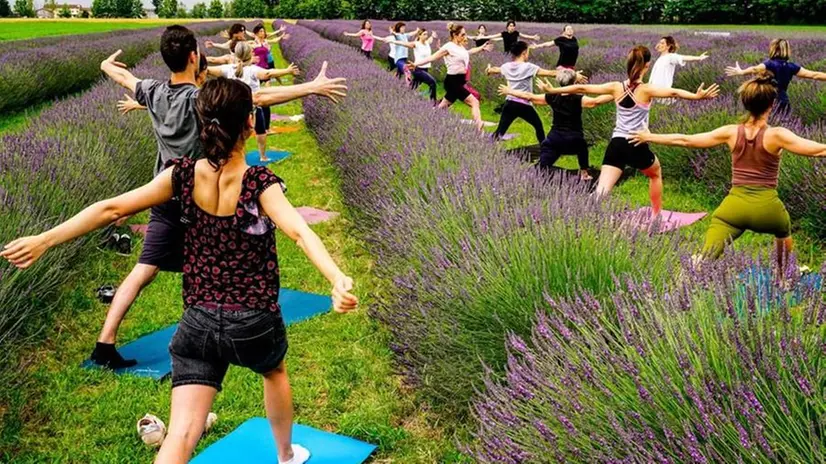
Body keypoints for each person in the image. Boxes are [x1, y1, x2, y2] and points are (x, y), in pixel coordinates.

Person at [1, 77, 358, 464]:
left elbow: (111, 209)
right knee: (274, 373)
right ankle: (286, 455)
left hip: (198, 323)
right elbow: (300, 232)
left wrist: (44, 239)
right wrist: (335, 278)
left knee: (181, 435)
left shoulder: (181, 175)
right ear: (250, 124)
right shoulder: (260, 181)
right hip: (253, 321)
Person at [96, 24, 348, 369]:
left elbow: (123, 78)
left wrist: (106, 66)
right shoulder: (202, 99)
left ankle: (106, 340)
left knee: (144, 268)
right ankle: (210, 340)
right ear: (193, 57)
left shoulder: (152, 91)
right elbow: (256, 98)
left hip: (165, 192)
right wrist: (312, 87)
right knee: (216, 272)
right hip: (199, 195)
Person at [629, 73, 826, 269]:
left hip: (733, 208)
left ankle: (696, 267)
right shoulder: (778, 135)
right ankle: (784, 277)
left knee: (706, 255)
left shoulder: (731, 132)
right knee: (783, 230)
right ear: (771, 105)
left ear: (745, 103)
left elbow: (686, 140)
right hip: (768, 209)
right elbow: (818, 150)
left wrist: (650, 136)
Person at [539, 45, 720, 215]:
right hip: (636, 142)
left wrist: (554, 90)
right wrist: (696, 97)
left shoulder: (616, 87)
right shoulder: (646, 90)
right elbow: (673, 92)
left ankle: (577, 216)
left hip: (616, 144)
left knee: (601, 192)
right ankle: (656, 216)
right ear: (647, 66)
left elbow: (581, 87)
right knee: (655, 174)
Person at [498, 68, 613, 180]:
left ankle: (530, 175)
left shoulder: (552, 96)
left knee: (541, 167)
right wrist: (616, 93)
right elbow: (595, 102)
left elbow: (530, 97)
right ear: (574, 82)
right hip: (574, 139)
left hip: (554, 139)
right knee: (582, 148)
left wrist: (510, 91)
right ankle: (584, 174)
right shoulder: (578, 98)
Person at [207, 42, 301, 162]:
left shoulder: (228, 69)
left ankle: (231, 157)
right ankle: (263, 156)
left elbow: (208, 70)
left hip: (234, 108)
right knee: (260, 130)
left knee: (233, 134)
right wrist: (287, 70)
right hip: (253, 108)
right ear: (249, 54)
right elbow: (268, 73)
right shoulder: (252, 70)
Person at [486, 41, 587, 145]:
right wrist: (573, 75)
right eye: (528, 51)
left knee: (500, 131)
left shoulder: (506, 66)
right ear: (524, 52)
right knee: (538, 126)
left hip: (509, 103)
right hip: (524, 104)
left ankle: (486, 148)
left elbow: (495, 70)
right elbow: (551, 73)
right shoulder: (528, 67)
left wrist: (488, 70)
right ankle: (545, 149)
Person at [409, 23, 493, 131]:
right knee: (474, 102)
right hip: (452, 82)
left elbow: (469, 52)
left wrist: (481, 48)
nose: (465, 37)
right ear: (455, 35)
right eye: (462, 35)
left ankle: (425, 122)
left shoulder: (460, 47)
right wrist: (416, 64)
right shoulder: (448, 46)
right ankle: (479, 127)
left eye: (465, 34)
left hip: (460, 81)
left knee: (443, 106)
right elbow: (433, 57)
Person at [726, 38, 826, 115]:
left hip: (767, 101)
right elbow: (815, 75)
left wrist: (741, 72)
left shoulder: (770, 64)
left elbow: (755, 69)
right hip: (783, 100)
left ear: (773, 49)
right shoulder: (791, 66)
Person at [389, 29, 438, 103]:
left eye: (426, 34)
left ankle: (399, 96)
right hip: (418, 69)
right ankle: (433, 102)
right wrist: (393, 41)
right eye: (424, 34)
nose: (426, 36)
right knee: (432, 82)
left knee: (412, 86)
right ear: (419, 36)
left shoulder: (427, 43)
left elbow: (430, 40)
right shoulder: (416, 44)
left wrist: (432, 36)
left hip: (425, 69)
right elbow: (404, 43)